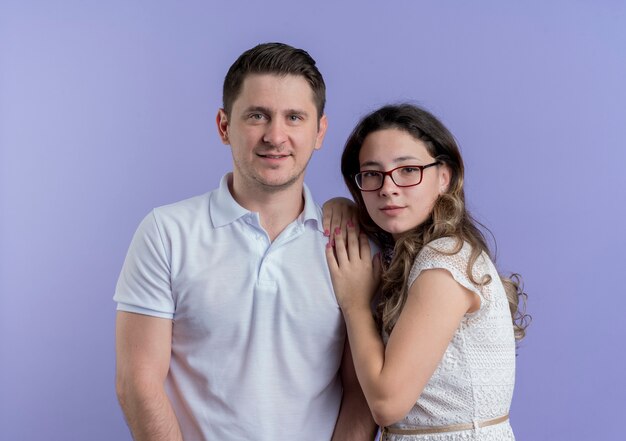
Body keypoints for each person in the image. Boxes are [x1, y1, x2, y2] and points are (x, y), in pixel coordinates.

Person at [114, 42, 376, 441]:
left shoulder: (348, 246)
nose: (276, 135)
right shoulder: (166, 232)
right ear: (224, 126)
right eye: (257, 115)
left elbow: (361, 392)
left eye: (294, 117)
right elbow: (138, 384)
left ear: (319, 131)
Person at [325, 104, 529, 440]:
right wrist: (341, 206)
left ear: (444, 177)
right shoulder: (414, 260)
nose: (388, 188)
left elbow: (387, 404)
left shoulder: (444, 263)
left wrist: (355, 304)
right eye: (372, 174)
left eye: (407, 170)